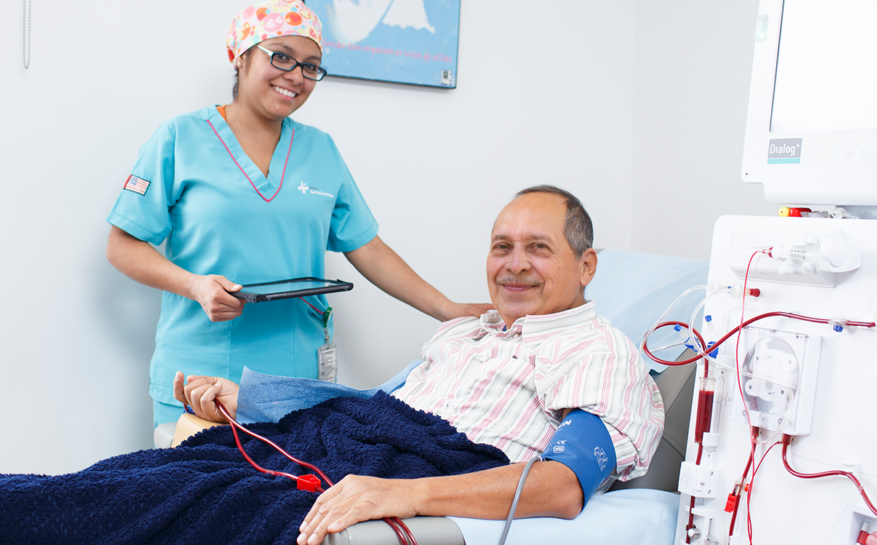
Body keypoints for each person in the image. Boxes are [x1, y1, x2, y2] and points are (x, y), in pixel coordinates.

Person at [173, 185, 665, 545]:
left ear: (586, 266)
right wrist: (252, 405)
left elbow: (562, 485)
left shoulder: (599, 353)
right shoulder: (466, 332)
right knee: (160, 482)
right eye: (502, 247)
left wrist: (403, 494)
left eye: (538, 248)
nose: (515, 264)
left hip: (404, 479)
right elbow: (376, 408)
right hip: (336, 461)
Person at [105, 0, 488, 427]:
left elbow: (367, 247)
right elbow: (122, 245)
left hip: (297, 384)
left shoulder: (319, 149)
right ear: (241, 56)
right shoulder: (180, 138)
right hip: (202, 378)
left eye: (310, 66)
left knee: (300, 474)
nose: (296, 76)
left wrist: (447, 309)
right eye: (282, 57)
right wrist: (194, 285)